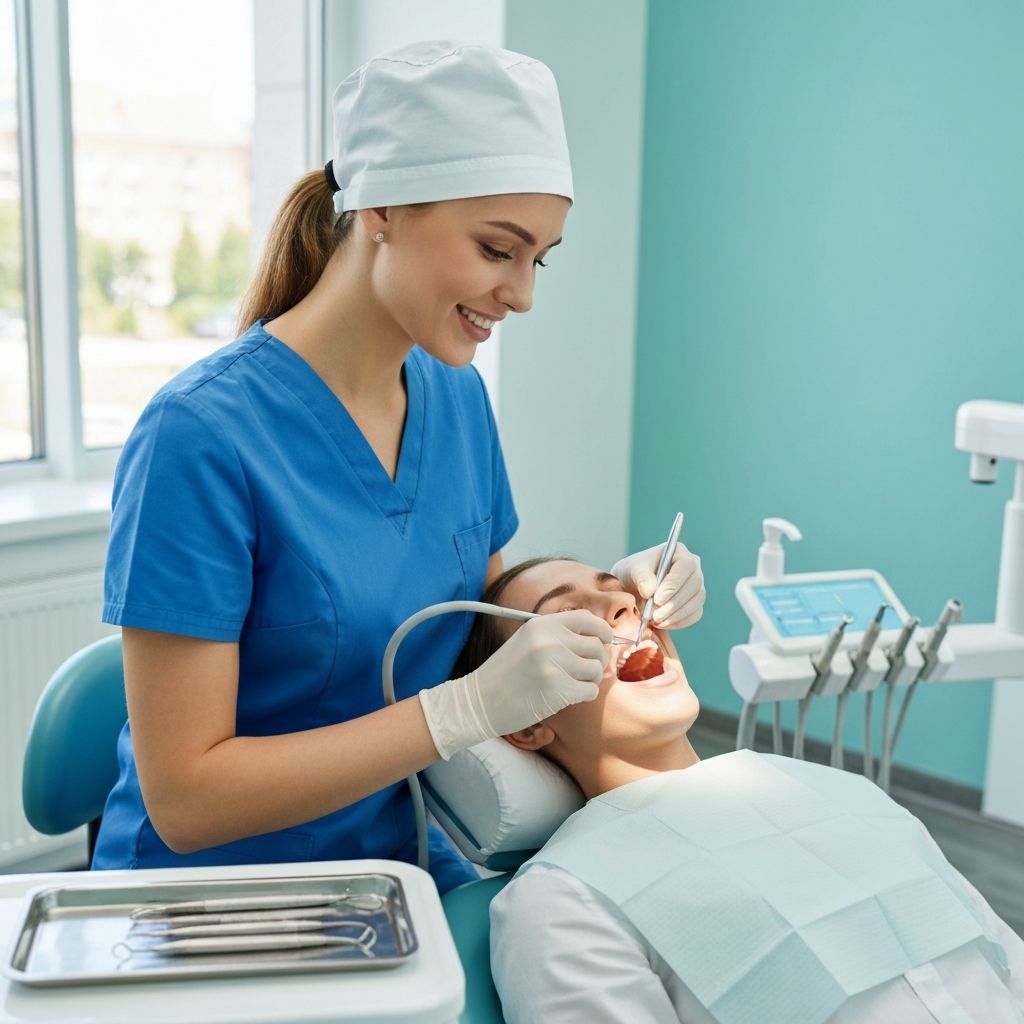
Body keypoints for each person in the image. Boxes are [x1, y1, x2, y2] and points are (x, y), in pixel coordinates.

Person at [92, 41, 706, 895]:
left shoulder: (455, 402)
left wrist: (615, 595)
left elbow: (471, 636)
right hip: (215, 899)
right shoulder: (199, 437)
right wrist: (462, 711)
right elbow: (187, 801)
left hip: (401, 859)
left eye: (541, 258)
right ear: (382, 207)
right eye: (499, 250)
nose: (523, 294)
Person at [457, 557, 1024, 1023]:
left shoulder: (839, 791)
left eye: (620, 593)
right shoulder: (564, 900)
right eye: (571, 617)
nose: (624, 606)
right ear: (527, 721)